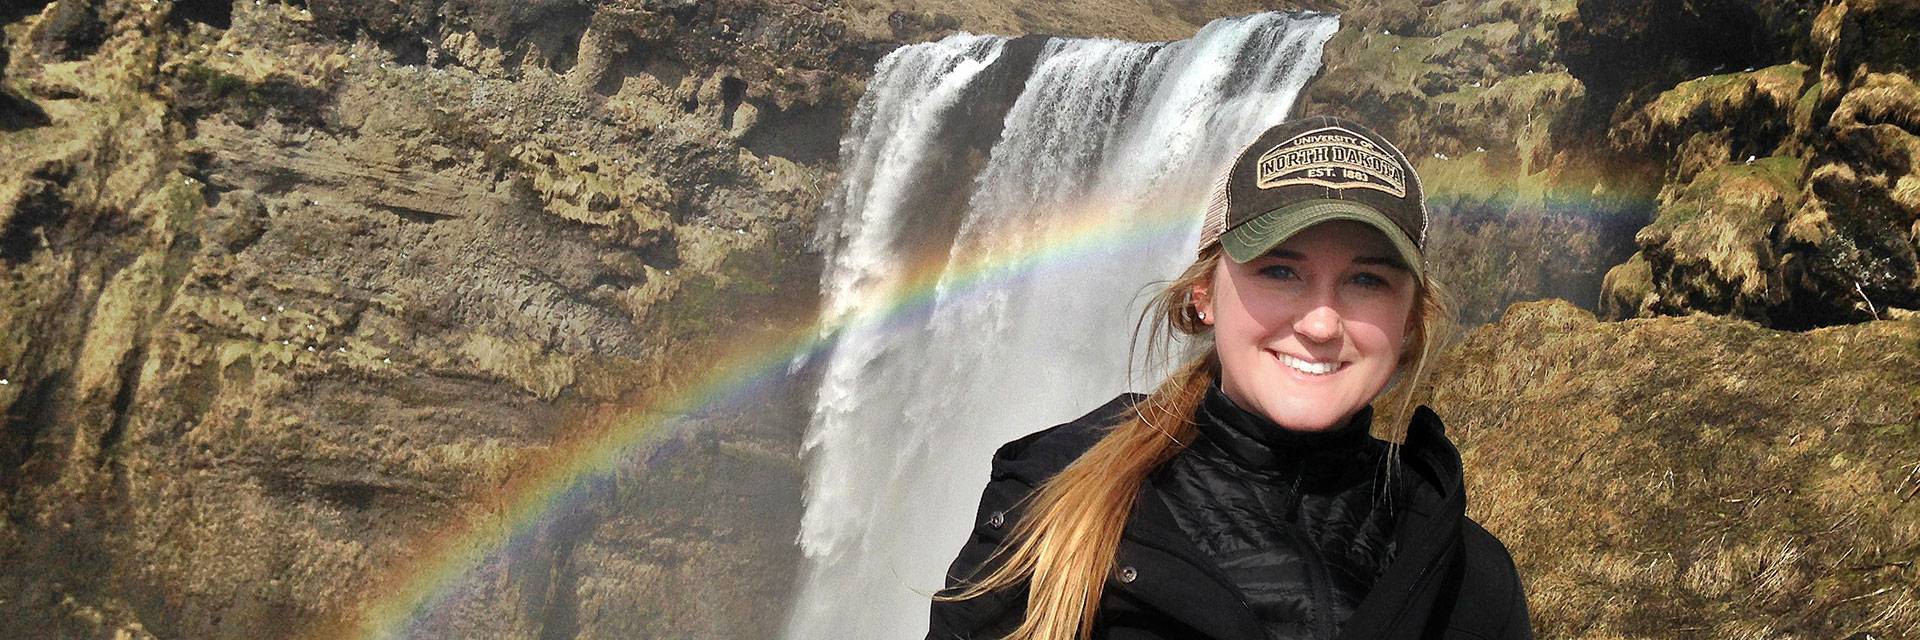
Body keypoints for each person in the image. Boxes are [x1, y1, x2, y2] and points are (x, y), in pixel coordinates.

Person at [925, 116, 1532, 640]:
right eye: (1280, 271)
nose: (1321, 323)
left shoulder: (1472, 581)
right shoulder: (1048, 510)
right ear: (1203, 296)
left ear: (1409, 323)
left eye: (1367, 280)